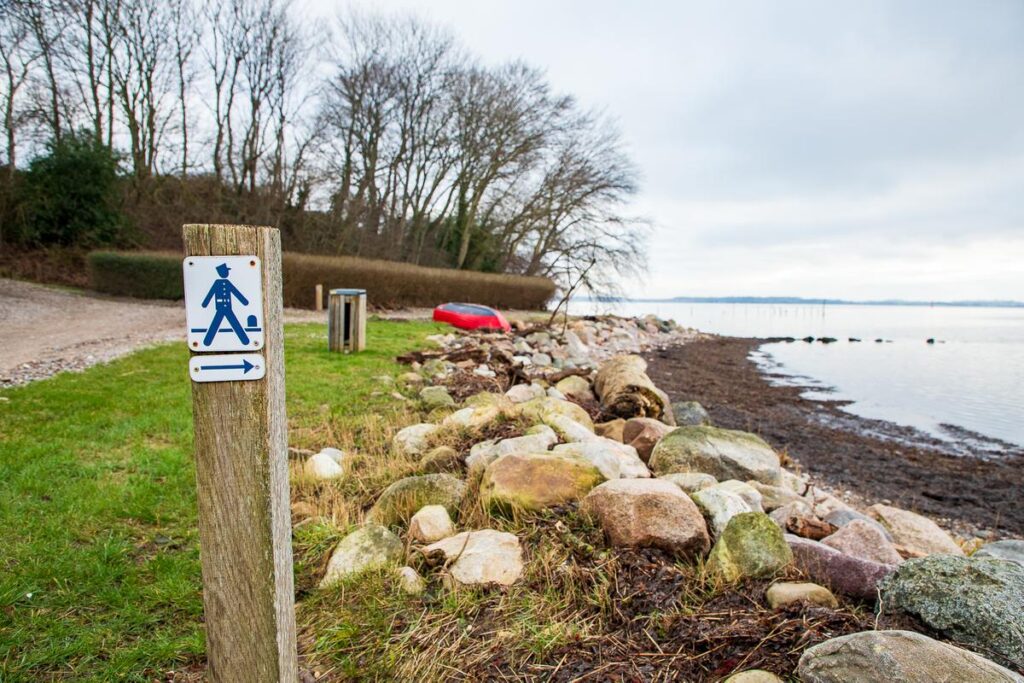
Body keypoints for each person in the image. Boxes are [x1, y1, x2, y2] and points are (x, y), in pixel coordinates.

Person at [200, 263, 250, 346]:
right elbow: (210, 293)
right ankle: (207, 342)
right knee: (215, 324)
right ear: (221, 273)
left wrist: (244, 301)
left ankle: (245, 341)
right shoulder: (217, 283)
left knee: (235, 323)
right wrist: (205, 303)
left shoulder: (227, 283)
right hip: (220, 307)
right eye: (226, 271)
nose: (227, 273)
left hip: (228, 307)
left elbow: (235, 292)